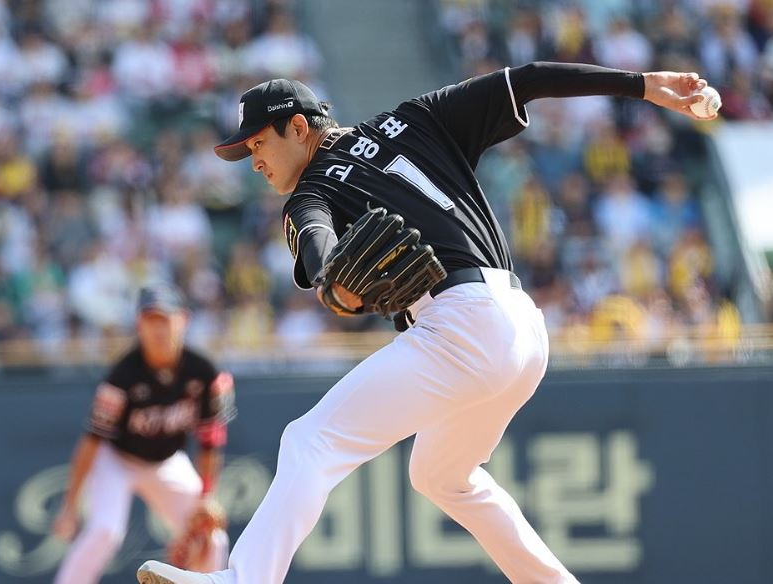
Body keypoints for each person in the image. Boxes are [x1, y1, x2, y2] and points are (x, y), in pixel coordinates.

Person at [137, 62, 714, 584]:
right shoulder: (415, 119)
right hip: (522, 328)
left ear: (297, 126)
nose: (254, 160)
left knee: (309, 440)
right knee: (443, 477)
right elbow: (529, 79)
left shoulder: (310, 192)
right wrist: (642, 85)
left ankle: (244, 581)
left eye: (258, 142)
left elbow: (319, 249)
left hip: (459, 328)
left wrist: (335, 284)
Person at [52, 283, 235, 584]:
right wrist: (70, 504)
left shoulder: (205, 371)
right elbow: (91, 440)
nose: (158, 328)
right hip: (118, 460)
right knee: (104, 532)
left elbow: (211, 437)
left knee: (211, 535)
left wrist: (206, 495)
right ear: (139, 324)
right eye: (151, 320)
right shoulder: (122, 375)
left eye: (165, 319)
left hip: (167, 462)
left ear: (184, 320)